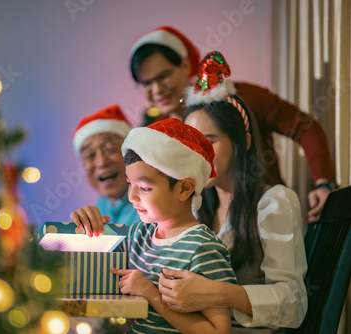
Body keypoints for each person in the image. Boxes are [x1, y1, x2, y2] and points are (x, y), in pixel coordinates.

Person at [158, 51, 307, 333]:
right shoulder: (193, 207)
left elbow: (294, 302)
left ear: (243, 141)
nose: (197, 154)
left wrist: (218, 293)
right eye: (190, 144)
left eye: (208, 141)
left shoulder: (273, 203)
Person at [129, 25, 336, 222]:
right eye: (146, 83)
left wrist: (323, 182)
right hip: (205, 226)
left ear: (184, 65)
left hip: (262, 216)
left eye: (163, 76)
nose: (156, 90)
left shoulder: (238, 99)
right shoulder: (157, 131)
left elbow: (304, 127)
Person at [71, 118, 237, 333]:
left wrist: (151, 294)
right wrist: (84, 222)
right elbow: (87, 270)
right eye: (130, 184)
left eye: (145, 188)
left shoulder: (203, 249)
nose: (132, 196)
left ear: (184, 189)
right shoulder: (138, 235)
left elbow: (220, 331)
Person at [72, 104, 140, 226]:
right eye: (89, 155)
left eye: (110, 149)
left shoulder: (153, 206)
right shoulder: (101, 206)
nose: (101, 162)